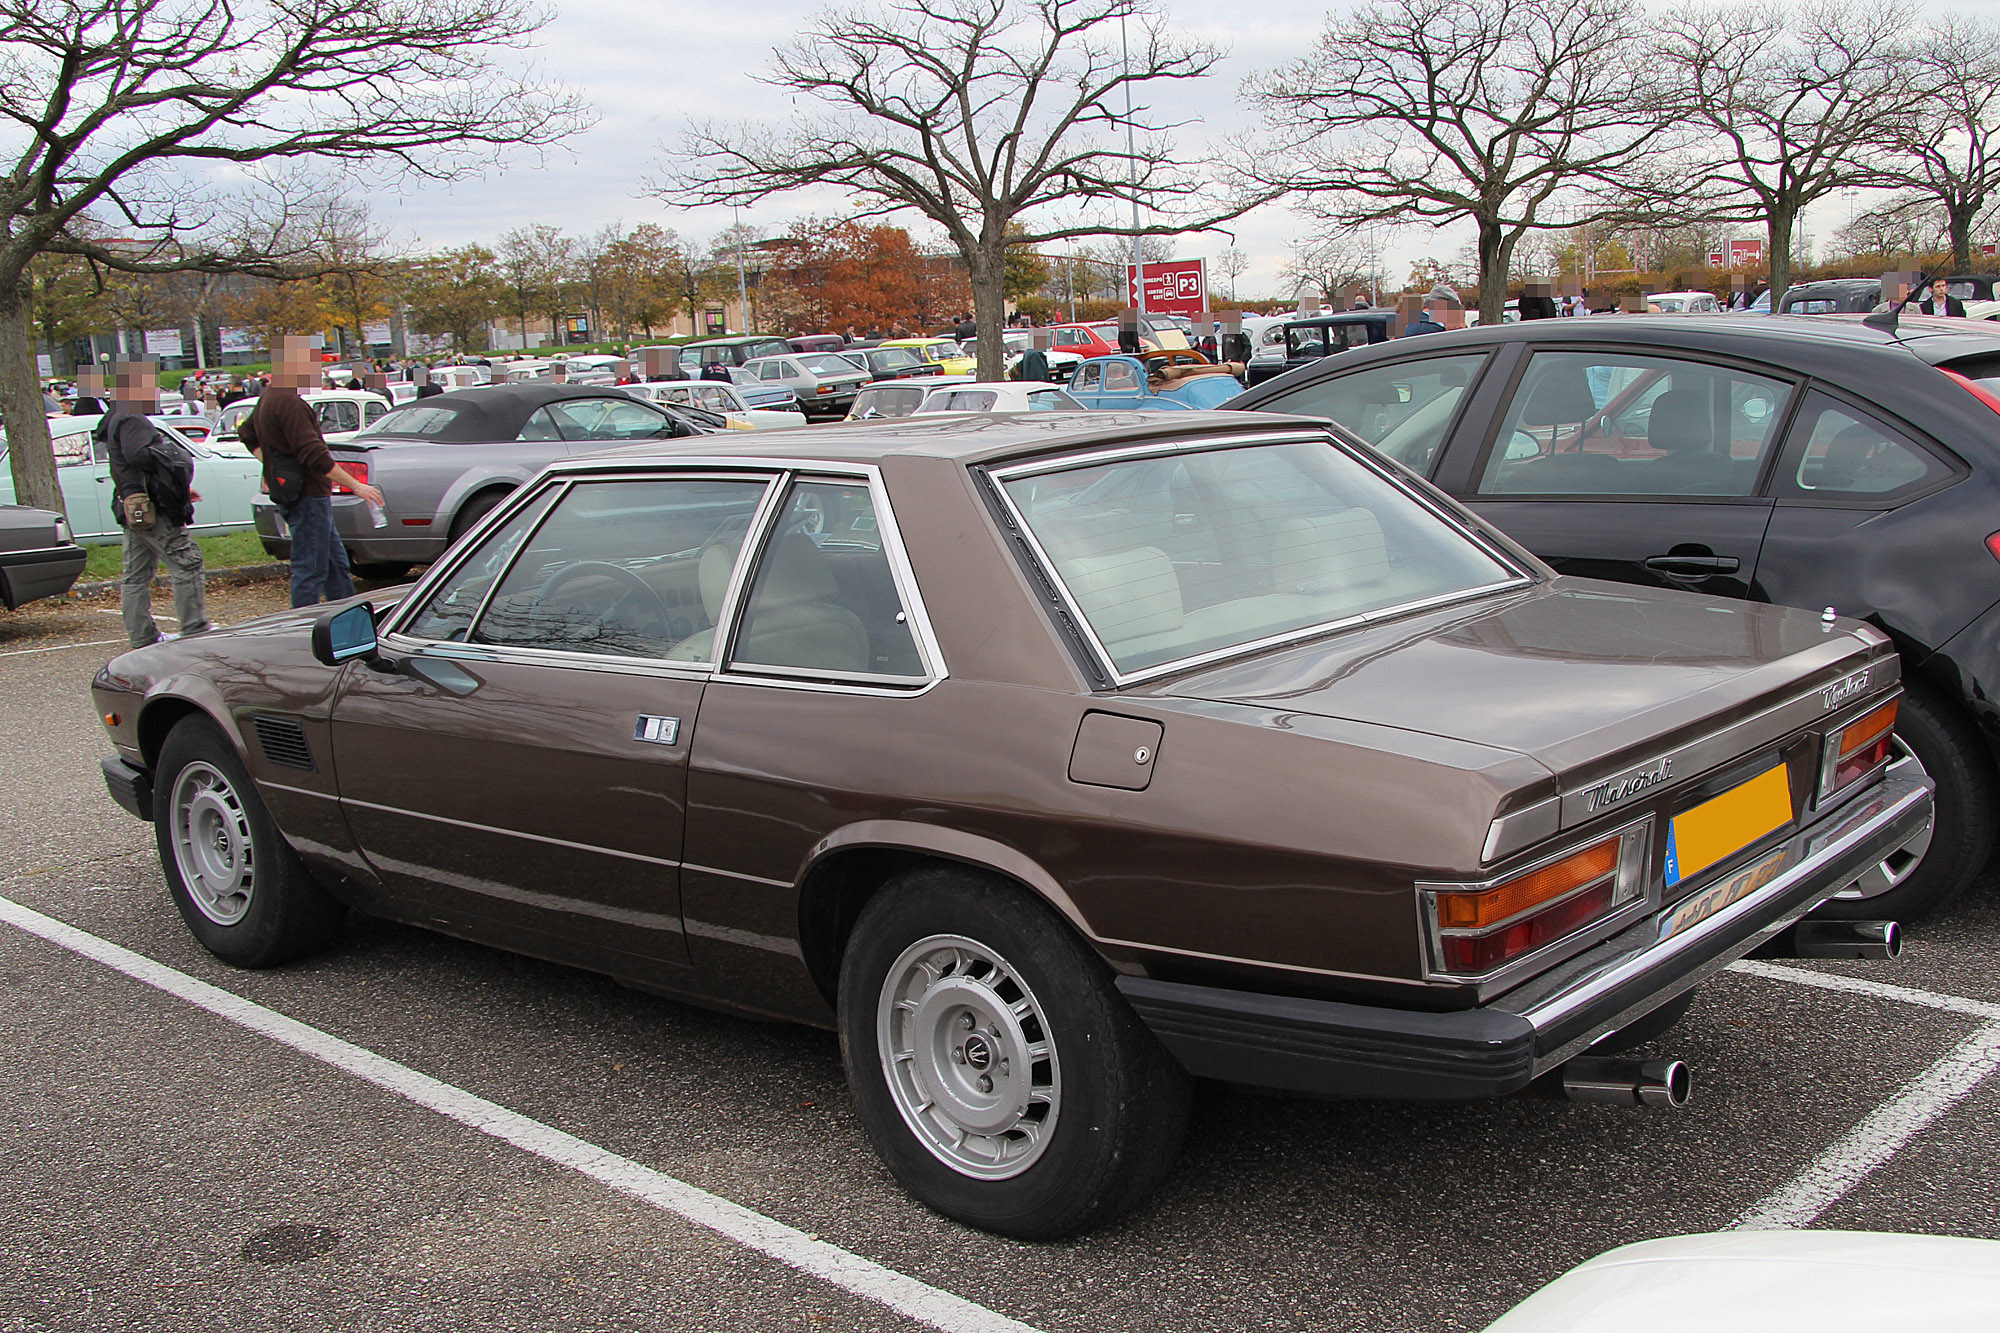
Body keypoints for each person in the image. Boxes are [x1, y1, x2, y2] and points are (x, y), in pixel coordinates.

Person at [241, 335, 384, 608]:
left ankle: (347, 622)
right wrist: (357, 486)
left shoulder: (270, 397)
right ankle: (302, 630)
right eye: (312, 364)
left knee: (336, 565)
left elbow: (247, 434)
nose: (317, 371)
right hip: (307, 495)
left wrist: (270, 468)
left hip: (299, 493)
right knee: (311, 569)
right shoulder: (290, 404)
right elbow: (314, 455)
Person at [100, 359, 212, 648]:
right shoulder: (131, 418)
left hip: (132, 505)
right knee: (186, 563)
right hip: (153, 507)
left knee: (135, 575)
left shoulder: (115, 417)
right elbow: (140, 456)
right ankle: (196, 629)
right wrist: (171, 462)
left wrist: (180, 488)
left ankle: (142, 636)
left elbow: (132, 463)